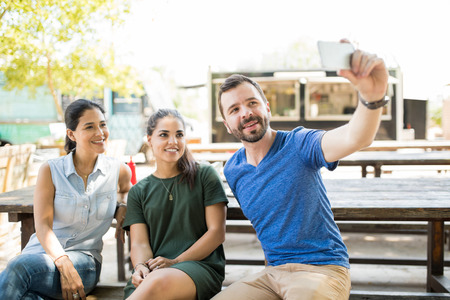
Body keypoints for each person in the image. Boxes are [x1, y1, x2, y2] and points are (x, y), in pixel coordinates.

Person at [213, 42, 389, 300]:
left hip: (323, 270)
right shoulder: (234, 170)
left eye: (252, 102)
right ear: (228, 125)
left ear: (267, 107)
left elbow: (355, 137)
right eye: (234, 109)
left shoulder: (299, 143)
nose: (247, 113)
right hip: (272, 275)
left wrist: (373, 98)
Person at [0, 99, 132, 300]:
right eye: (90, 127)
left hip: (85, 261)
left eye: (103, 124)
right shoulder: (51, 170)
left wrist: (122, 204)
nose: (100, 132)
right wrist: (63, 261)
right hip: (39, 256)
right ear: (71, 134)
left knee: (17, 269)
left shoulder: (118, 169)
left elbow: (127, 190)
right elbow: (43, 226)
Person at [122, 109, 228, 300]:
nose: (173, 142)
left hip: (199, 267)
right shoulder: (139, 191)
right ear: (149, 140)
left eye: (179, 135)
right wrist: (140, 267)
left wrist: (176, 261)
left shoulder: (205, 175)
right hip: (154, 272)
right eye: (164, 135)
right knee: (149, 284)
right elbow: (139, 242)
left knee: (156, 284)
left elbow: (216, 233)